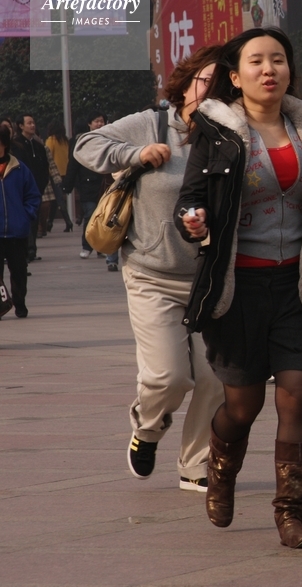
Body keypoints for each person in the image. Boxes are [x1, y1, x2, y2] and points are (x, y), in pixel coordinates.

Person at [174, 27, 302, 548]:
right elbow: (190, 198)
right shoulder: (217, 132)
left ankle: (291, 514)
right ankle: (221, 471)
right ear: (235, 76)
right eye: (256, 61)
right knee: (242, 406)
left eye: (278, 59)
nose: (268, 69)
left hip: (299, 285)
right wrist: (193, 219)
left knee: (297, 397)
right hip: (237, 288)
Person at [73, 46, 226, 493]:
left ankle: (196, 464)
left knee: (215, 378)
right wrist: (136, 154)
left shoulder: (231, 136)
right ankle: (148, 428)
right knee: (169, 377)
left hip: (210, 278)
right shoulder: (152, 123)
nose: (211, 93)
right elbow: (86, 145)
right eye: (205, 82)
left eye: (222, 88)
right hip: (152, 273)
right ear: (187, 82)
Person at [0, 125, 41, 318]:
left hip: (17, 231)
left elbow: (33, 195)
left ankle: (19, 302)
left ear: (4, 144)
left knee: (19, 271)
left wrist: (26, 215)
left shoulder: (19, 168)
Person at [63, 117, 109, 260]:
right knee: (90, 215)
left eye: (102, 121)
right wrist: (68, 185)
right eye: (96, 121)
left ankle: (100, 247)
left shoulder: (108, 139)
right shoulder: (82, 141)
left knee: (103, 216)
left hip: (104, 185)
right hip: (87, 185)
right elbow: (73, 164)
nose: (99, 124)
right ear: (89, 124)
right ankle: (87, 246)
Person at [11, 114, 51, 264]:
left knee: (34, 219)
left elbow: (45, 167)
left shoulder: (39, 146)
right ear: (21, 126)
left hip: (36, 189)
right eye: (29, 123)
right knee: (24, 219)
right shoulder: (16, 146)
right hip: (21, 190)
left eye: (33, 123)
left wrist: (42, 184)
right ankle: (26, 249)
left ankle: (32, 248)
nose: (32, 125)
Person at [44, 122, 73, 233]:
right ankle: (49, 223)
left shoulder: (51, 140)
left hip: (54, 173)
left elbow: (48, 156)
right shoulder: (65, 141)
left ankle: (68, 221)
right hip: (65, 172)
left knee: (59, 199)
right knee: (56, 199)